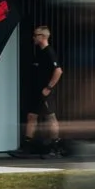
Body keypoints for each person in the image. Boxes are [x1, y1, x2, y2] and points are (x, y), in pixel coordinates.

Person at [18, 25, 63, 157]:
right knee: (31, 116)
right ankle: (26, 148)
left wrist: (48, 88)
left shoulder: (49, 52)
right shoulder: (40, 52)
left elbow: (58, 71)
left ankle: (56, 147)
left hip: (45, 93)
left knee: (50, 118)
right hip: (37, 92)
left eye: (35, 35)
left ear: (43, 37)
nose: (33, 38)